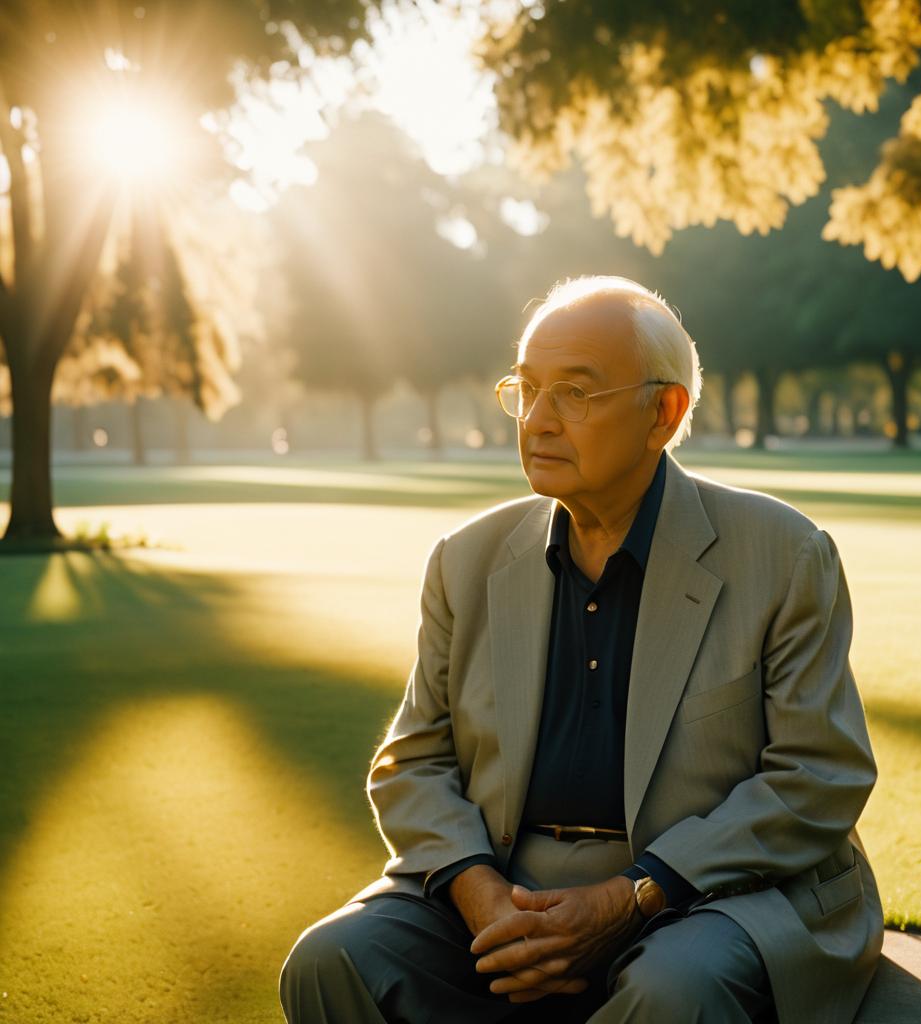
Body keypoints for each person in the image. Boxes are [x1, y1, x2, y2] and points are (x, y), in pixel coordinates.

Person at [279, 275, 884, 1024]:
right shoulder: (466, 560)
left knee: (674, 991)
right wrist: (482, 898)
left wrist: (628, 898)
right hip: (504, 885)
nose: (536, 420)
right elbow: (413, 763)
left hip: (710, 892)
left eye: (575, 393)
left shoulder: (783, 554)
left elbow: (819, 774)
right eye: (526, 389)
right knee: (332, 959)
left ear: (664, 412)